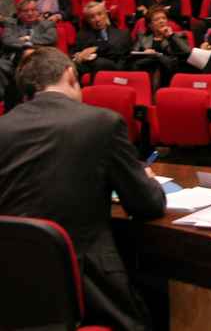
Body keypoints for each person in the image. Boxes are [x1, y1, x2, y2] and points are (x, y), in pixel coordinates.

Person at [0, 47, 166, 329]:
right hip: (85, 294)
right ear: (70, 75)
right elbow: (146, 205)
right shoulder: (102, 123)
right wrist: (145, 178)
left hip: (11, 294)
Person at [132, 6, 191, 88]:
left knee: (158, 63)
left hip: (169, 68)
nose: (161, 21)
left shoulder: (178, 36)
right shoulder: (143, 37)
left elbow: (188, 52)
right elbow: (133, 55)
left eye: (164, 18)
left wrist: (171, 36)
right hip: (148, 67)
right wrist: (145, 53)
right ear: (150, 25)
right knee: (152, 64)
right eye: (156, 19)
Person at [73, 1, 131, 79]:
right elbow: (78, 52)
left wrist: (96, 48)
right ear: (88, 20)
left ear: (106, 14)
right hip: (89, 69)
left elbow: (117, 51)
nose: (97, 19)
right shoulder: (82, 35)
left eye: (100, 14)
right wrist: (78, 55)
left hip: (115, 69)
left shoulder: (122, 34)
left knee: (99, 62)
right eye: (92, 17)